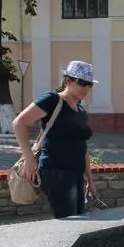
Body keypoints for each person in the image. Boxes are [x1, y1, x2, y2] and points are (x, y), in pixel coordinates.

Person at [12, 60, 97, 218]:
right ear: (68, 80)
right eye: (82, 82)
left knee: (78, 218)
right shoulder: (52, 100)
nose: (85, 88)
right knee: (69, 220)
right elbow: (19, 123)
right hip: (56, 172)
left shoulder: (80, 111)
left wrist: (89, 180)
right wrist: (29, 158)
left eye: (89, 84)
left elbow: (82, 146)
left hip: (76, 174)